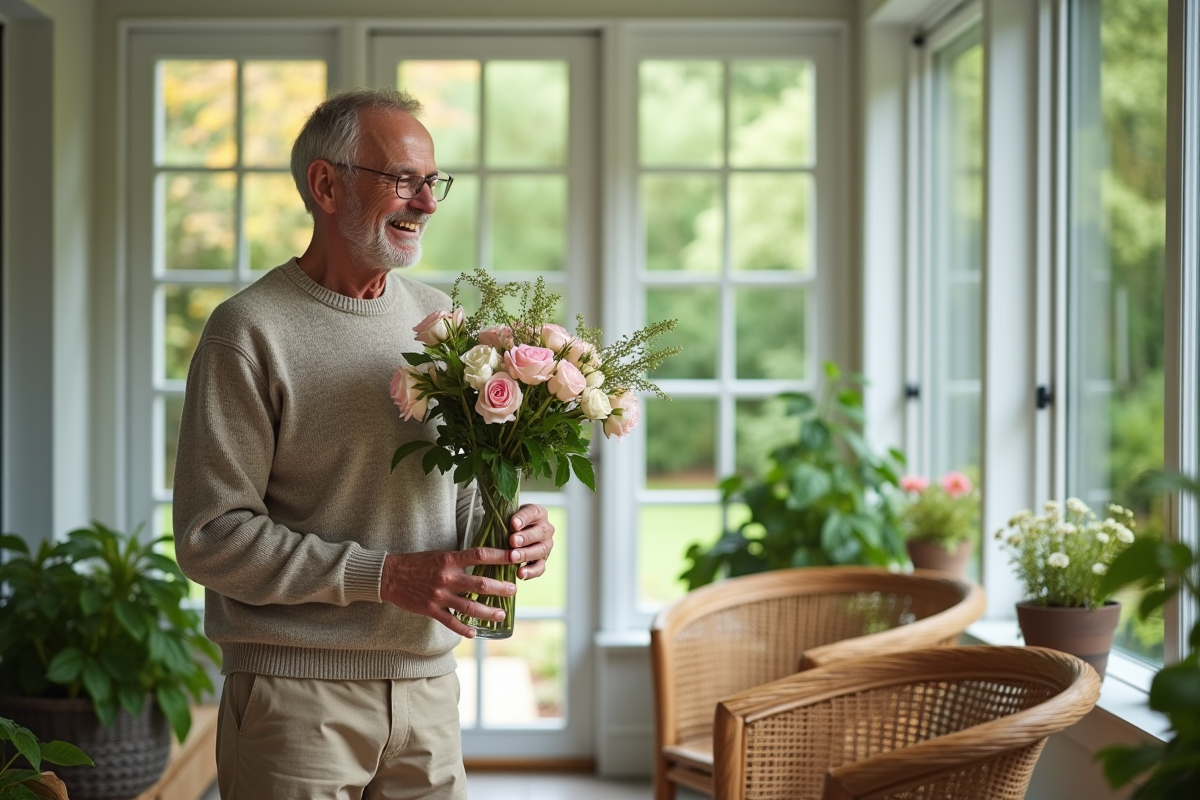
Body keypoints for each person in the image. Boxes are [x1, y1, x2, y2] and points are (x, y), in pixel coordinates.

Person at [173, 87, 555, 800]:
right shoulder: (248, 332)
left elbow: (459, 490)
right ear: (326, 184)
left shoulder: (441, 321)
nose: (428, 202)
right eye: (403, 179)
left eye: (432, 180)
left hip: (430, 693)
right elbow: (210, 536)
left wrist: (515, 525)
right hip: (295, 701)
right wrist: (383, 576)